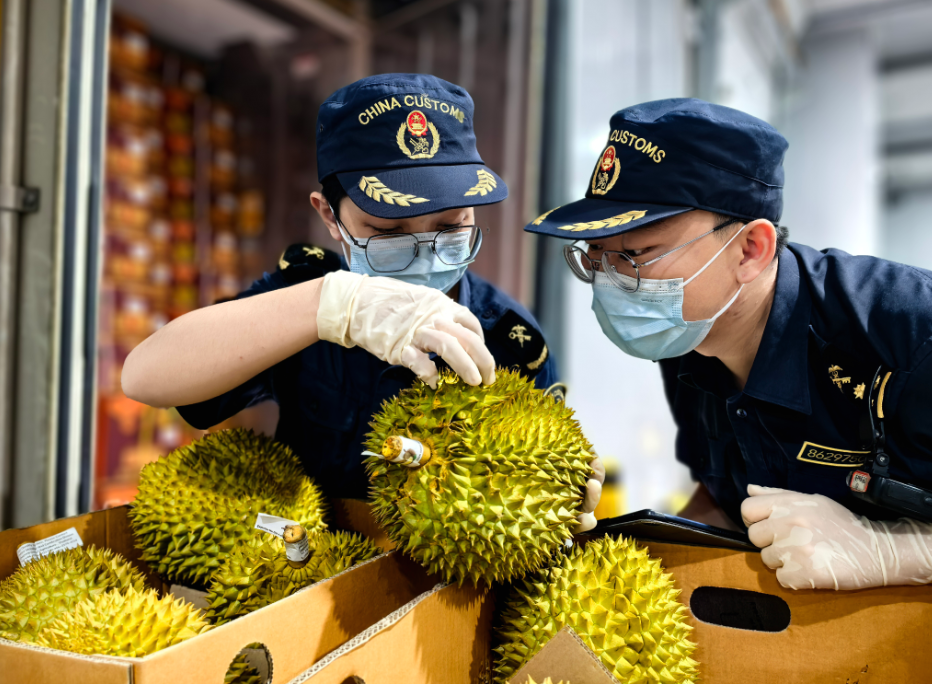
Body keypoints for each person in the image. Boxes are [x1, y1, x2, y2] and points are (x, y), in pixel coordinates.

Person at [123, 73, 602, 528]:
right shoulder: (305, 296)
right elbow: (145, 375)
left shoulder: (511, 341)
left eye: (451, 225)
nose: (426, 251)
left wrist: (558, 496)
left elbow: (536, 488)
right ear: (329, 217)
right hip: (303, 564)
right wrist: (331, 307)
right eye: (388, 231)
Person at [524, 98, 932, 590]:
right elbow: (723, 502)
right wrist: (621, 561)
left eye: (634, 255)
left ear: (750, 250)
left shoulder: (910, 331)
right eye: (596, 257)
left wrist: (895, 551)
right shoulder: (689, 338)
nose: (610, 282)